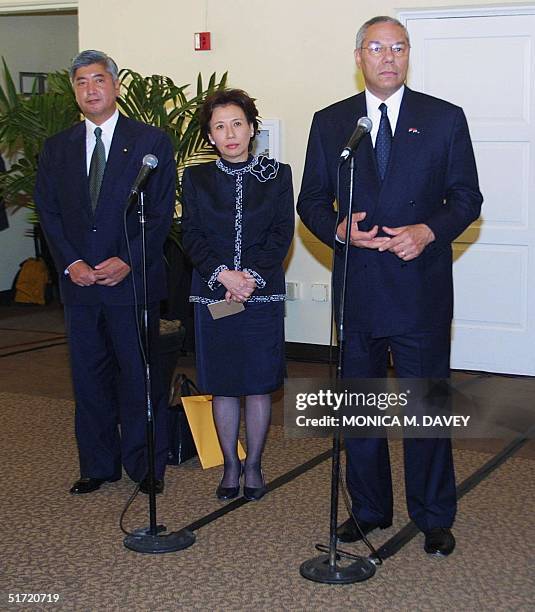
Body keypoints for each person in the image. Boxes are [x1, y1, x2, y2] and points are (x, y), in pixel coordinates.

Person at [297, 16, 482, 556]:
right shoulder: (333, 124)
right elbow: (310, 199)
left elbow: (467, 198)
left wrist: (427, 231)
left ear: (408, 55)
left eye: (398, 48)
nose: (388, 57)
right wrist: (336, 228)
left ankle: (433, 514)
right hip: (359, 289)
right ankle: (370, 509)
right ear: (359, 56)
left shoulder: (444, 119)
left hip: (420, 289)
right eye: (377, 47)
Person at [34, 50, 175, 495]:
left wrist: (129, 259)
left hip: (130, 283)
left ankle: (145, 464)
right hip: (80, 287)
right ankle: (97, 465)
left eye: (98, 80)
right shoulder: (58, 148)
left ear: (115, 86)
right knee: (89, 379)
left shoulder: (151, 142)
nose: (90, 89)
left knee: (139, 377)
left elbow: (160, 212)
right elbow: (49, 212)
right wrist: (72, 262)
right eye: (81, 82)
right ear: (74, 90)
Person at [181, 89, 294, 501]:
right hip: (214, 296)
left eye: (237, 124)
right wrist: (223, 275)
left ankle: (255, 465)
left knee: (259, 385)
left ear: (252, 128)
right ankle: (230, 464)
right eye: (219, 126)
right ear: (209, 135)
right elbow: (190, 234)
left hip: (260, 296)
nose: (230, 134)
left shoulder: (278, 175)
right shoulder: (195, 179)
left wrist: (249, 277)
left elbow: (282, 233)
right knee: (224, 384)